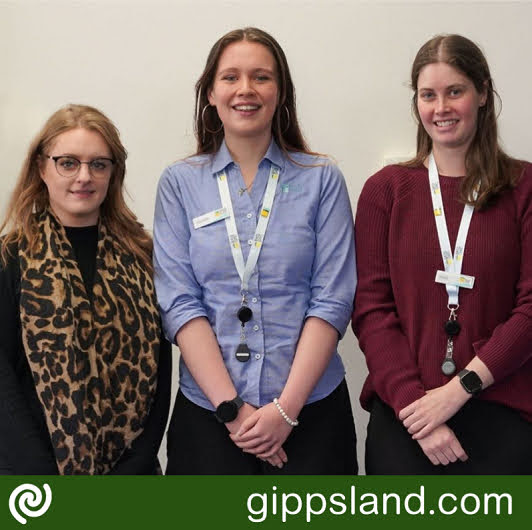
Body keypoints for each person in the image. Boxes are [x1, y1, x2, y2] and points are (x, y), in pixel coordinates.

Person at [154, 27, 357, 475]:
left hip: (312, 413)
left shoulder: (321, 179)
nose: (245, 89)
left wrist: (284, 412)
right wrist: (234, 410)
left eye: (261, 77)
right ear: (210, 92)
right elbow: (180, 303)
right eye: (230, 77)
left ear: (281, 92)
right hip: (209, 416)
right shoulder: (179, 183)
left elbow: (332, 299)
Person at [353, 34, 532, 474]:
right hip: (406, 416)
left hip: (501, 410)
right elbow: (371, 310)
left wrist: (457, 391)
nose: (441, 108)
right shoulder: (385, 191)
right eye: (428, 95)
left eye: (455, 91)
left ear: (483, 93)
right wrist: (419, 408)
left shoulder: (524, 187)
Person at [0, 104, 171, 475]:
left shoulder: (143, 255)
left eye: (98, 164)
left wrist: (139, 461)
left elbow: (160, 368)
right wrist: (40, 471)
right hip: (32, 474)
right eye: (68, 162)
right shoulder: (10, 257)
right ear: (42, 167)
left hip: (131, 474)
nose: (84, 176)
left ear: (113, 173)